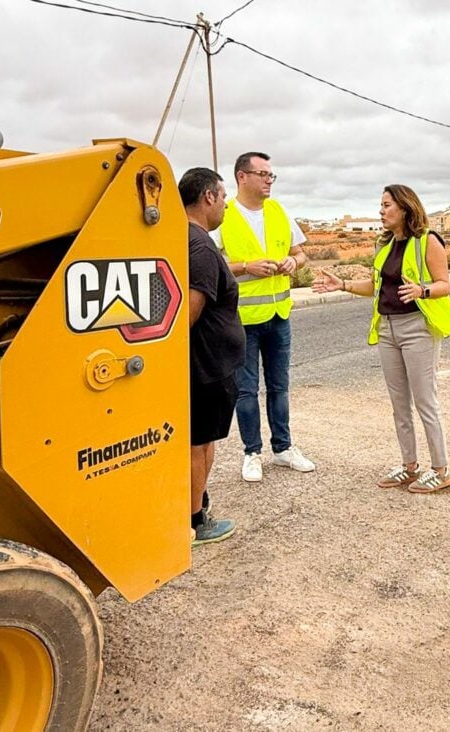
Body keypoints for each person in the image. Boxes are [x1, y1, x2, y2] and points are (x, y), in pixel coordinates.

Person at [312, 185, 450, 493]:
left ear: (404, 209)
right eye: (380, 205)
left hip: (417, 327)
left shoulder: (427, 241)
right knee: (398, 403)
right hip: (388, 329)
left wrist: (423, 290)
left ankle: (441, 470)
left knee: (425, 401)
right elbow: (376, 286)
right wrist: (342, 284)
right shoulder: (385, 244)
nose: (381, 211)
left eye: (386, 205)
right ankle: (409, 467)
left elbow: (445, 284)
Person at [215, 152, 315, 483]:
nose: (269, 180)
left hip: (279, 315)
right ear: (242, 177)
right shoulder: (223, 216)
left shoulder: (278, 211)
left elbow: (301, 253)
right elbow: (208, 264)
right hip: (242, 320)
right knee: (246, 390)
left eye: (271, 175)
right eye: (263, 174)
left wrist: (293, 263)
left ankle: (283, 448)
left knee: (279, 386)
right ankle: (251, 453)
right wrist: (246, 267)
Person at [179, 167, 245, 545]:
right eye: (222, 196)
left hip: (202, 364)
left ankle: (193, 507)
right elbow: (188, 312)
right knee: (199, 444)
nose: (223, 204)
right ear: (207, 197)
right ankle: (195, 522)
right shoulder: (201, 246)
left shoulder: (185, 239)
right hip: (206, 368)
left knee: (199, 442)